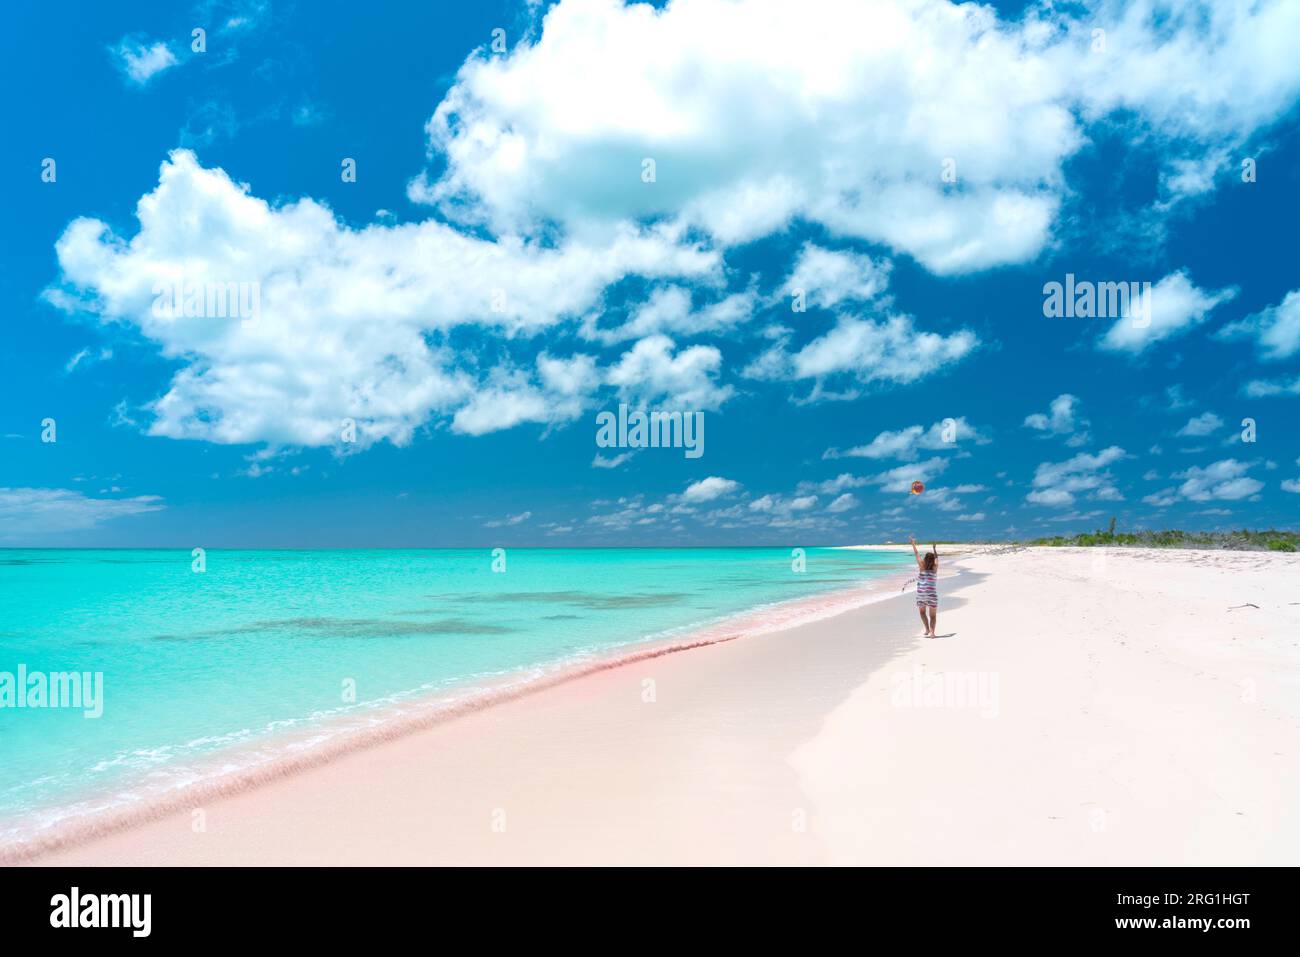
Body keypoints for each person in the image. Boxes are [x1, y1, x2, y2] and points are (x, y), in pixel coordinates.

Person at [909, 535, 938, 638]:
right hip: (932, 595)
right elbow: (936, 559)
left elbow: (916, 553)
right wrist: (934, 549)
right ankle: (932, 632)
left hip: (921, 594)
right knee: (933, 616)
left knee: (922, 612)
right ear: (933, 560)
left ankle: (926, 629)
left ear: (925, 559)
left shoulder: (921, 565)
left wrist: (913, 543)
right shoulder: (935, 567)